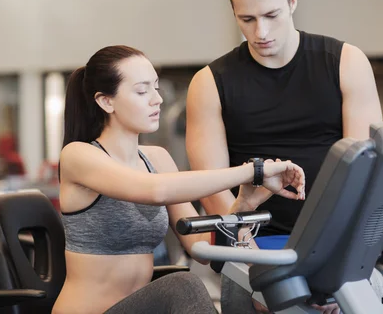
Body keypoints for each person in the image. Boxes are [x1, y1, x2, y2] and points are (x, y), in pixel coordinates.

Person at [185, 0, 383, 314]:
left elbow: (364, 176)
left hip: (336, 244)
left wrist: (334, 272)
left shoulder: (346, 63)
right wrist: (261, 273)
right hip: (251, 246)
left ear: (292, 1)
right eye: (246, 19)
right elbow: (213, 190)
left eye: (271, 15)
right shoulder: (210, 83)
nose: (260, 32)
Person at [51, 45, 306, 314]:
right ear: (106, 101)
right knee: (183, 284)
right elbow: (156, 191)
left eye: (156, 87)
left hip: (141, 308)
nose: (156, 99)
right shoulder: (78, 156)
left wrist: (243, 205)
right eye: (142, 91)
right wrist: (253, 171)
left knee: (238, 285)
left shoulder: (157, 159)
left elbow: (199, 247)